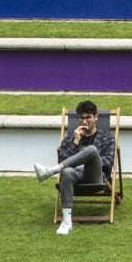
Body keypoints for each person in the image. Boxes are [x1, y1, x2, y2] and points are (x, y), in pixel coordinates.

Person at [32, 99, 116, 236]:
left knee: (92, 150)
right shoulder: (70, 138)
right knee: (67, 171)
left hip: (95, 177)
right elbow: (62, 160)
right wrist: (75, 142)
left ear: (96, 117)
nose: (84, 121)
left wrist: (88, 159)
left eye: (88, 117)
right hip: (75, 176)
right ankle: (66, 222)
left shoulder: (107, 138)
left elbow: (108, 162)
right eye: (81, 118)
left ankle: (51, 171)